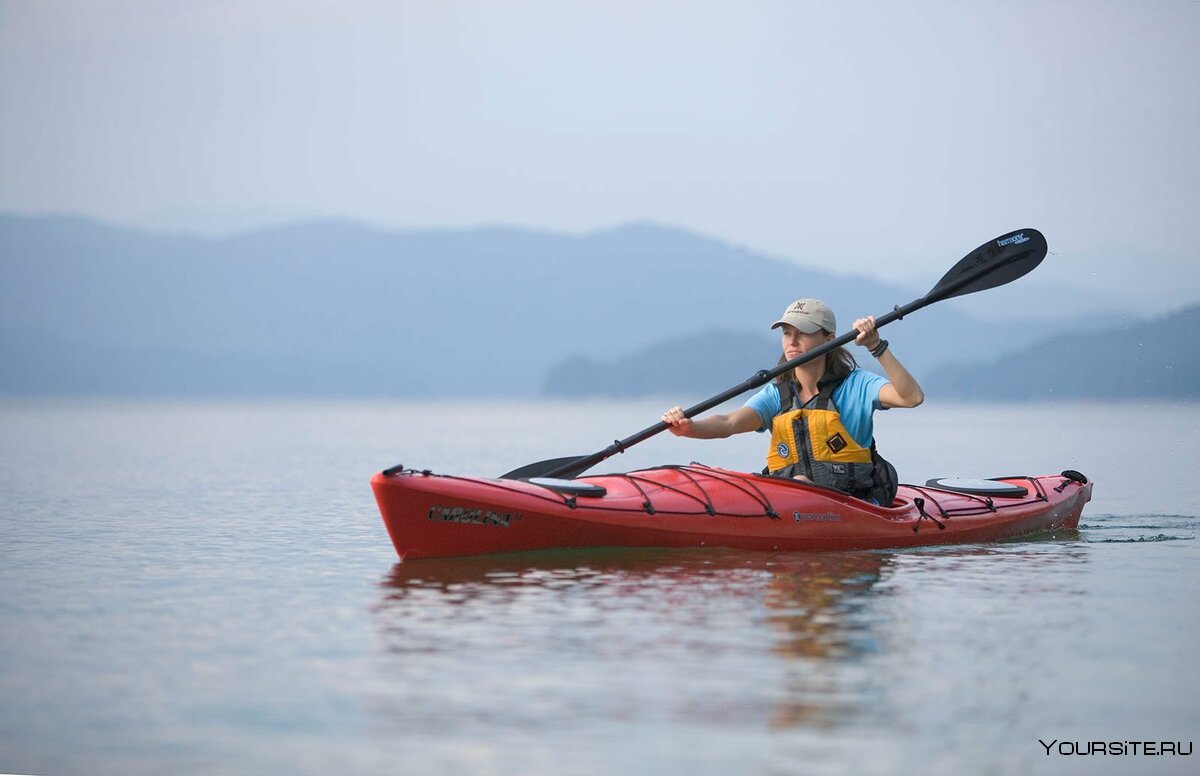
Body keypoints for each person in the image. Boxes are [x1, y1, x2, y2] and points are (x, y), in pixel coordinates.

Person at [661, 298, 924, 503]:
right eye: (787, 333)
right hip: (792, 503)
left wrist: (876, 346)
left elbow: (912, 397)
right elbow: (728, 423)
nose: (792, 342)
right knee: (792, 482)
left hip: (853, 504)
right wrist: (688, 427)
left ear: (829, 338)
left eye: (803, 333)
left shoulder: (857, 385)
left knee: (799, 482)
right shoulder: (777, 395)